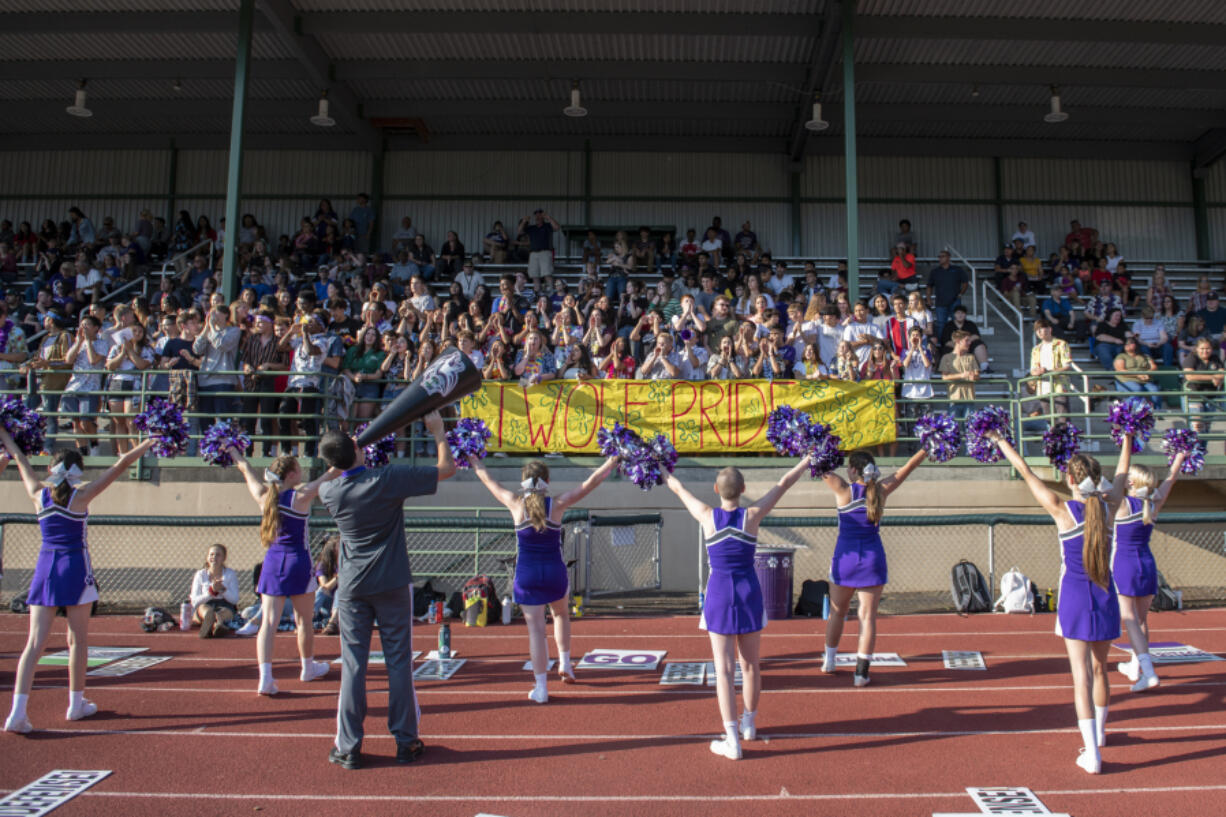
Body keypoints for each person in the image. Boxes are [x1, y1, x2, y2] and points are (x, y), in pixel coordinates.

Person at [317, 415, 456, 769]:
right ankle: (405, 743)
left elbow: (331, 475)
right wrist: (439, 432)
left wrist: (344, 458)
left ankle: (348, 747)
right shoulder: (388, 478)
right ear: (355, 452)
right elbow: (446, 469)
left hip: (351, 589)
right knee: (398, 664)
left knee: (353, 667)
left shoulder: (328, 491)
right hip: (392, 583)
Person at [990, 434, 1129, 775]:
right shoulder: (1110, 508)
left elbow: (1025, 472)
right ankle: (1100, 735)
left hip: (1075, 598)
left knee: (1080, 676)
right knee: (1101, 671)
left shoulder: (1062, 509)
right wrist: (1127, 437)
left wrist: (999, 441)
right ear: (1097, 479)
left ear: (1069, 479)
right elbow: (1122, 477)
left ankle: (1092, 754)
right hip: (1106, 594)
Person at [2, 433, 154, 734]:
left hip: (45, 568)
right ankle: (75, 703)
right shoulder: (81, 496)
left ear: (50, 469)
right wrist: (147, 444)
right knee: (77, 640)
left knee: (34, 644)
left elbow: (19, 458)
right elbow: (121, 464)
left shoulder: (37, 493)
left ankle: (17, 712)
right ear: (78, 471)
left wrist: (5, 433)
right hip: (74, 568)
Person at [664, 459, 811, 759]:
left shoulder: (706, 516)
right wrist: (808, 459)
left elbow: (678, 489)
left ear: (716, 489)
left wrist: (659, 467)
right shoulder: (752, 516)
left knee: (725, 670)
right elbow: (783, 483)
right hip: (748, 593)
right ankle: (749, 724)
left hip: (719, 594)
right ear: (743, 490)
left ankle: (732, 740)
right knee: (750, 665)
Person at [468, 456, 619, 701]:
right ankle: (566, 664)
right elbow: (590, 483)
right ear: (547, 481)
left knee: (536, 631)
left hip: (527, 575)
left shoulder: (515, 504)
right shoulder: (557, 504)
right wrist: (611, 463)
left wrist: (474, 460)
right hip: (554, 572)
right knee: (561, 614)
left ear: (523, 482)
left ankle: (541, 688)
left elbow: (487, 479)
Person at [231, 449, 339, 695]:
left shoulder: (263, 495)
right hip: (298, 562)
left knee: (268, 623)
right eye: (299, 470)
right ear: (291, 474)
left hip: (271, 563)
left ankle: (265, 678)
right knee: (304, 621)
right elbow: (332, 474)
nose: (302, 473)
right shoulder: (299, 496)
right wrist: (352, 448)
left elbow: (245, 468)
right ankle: (307, 667)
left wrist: (232, 450)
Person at [818, 449, 928, 687]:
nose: (846, 471)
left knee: (838, 612)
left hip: (844, 560)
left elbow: (818, 466)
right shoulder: (880, 490)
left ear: (854, 470)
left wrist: (805, 442)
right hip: (872, 559)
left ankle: (829, 661)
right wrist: (926, 448)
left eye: (849, 467)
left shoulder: (843, 489)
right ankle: (861, 673)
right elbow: (907, 468)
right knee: (867, 617)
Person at [1114, 458, 1186, 693]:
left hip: (1125, 565)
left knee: (1129, 618)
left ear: (1132, 481)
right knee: (1142, 620)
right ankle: (1135, 666)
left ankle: (1148, 670)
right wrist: (1180, 457)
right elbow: (1171, 479)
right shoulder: (1153, 505)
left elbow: (1102, 490)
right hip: (1147, 565)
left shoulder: (1122, 504)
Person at [189, 544, 240, 637]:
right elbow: (194, 601)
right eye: (211, 554)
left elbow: (235, 599)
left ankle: (217, 624)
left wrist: (223, 590)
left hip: (224, 604)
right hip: (206, 604)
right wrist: (211, 592)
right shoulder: (200, 575)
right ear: (207, 557)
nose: (214, 557)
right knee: (205, 609)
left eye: (218, 555)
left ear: (224, 558)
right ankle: (212, 621)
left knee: (226, 611)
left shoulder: (230, 574)